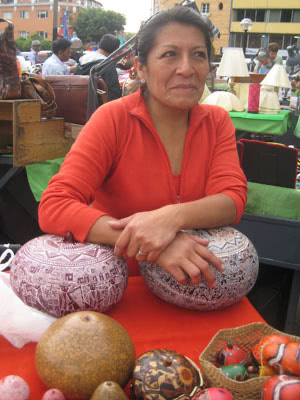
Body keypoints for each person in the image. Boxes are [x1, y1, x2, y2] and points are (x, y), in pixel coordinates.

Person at [39, 6, 247, 287]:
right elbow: (55, 205)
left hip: (192, 288)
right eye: (170, 54)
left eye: (198, 54)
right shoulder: (113, 119)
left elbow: (231, 199)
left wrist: (170, 218)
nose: (186, 69)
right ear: (140, 68)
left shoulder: (217, 121)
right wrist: (151, 243)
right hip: (118, 288)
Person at [75, 34, 122, 101]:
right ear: (114, 50)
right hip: (96, 105)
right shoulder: (107, 64)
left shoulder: (83, 58)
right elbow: (114, 92)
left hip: (78, 100)